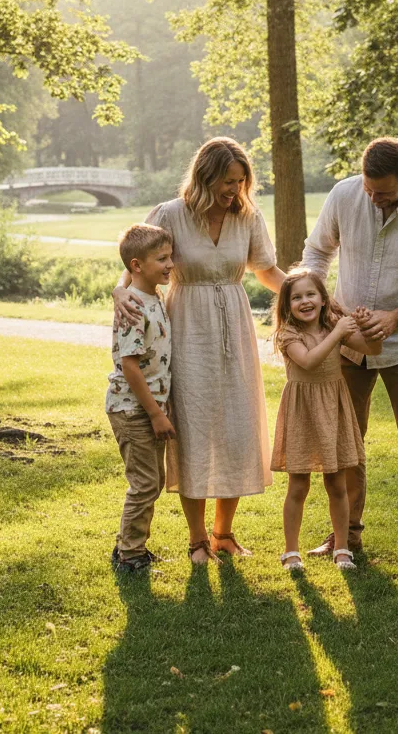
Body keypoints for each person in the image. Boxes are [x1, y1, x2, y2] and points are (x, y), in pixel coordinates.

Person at [113, 138, 285, 565]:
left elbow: (265, 270)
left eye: (241, 182)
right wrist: (118, 292)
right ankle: (196, 540)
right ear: (206, 175)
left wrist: (310, 293)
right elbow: (134, 264)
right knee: (192, 427)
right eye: (228, 181)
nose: (234, 190)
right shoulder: (170, 214)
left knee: (235, 427)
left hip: (235, 329)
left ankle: (224, 533)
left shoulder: (247, 215)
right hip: (185, 328)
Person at [302, 137, 398, 566]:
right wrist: (323, 301)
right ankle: (344, 536)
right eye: (370, 191)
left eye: (385, 193)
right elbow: (317, 251)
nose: (375, 199)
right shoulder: (345, 194)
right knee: (347, 441)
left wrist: (395, 317)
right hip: (347, 341)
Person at [271, 269, 382, 572]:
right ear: (286, 305)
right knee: (298, 485)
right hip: (303, 413)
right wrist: (338, 333)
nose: (304, 301)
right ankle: (291, 552)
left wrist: (365, 327)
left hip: (334, 408)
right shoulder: (289, 334)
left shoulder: (334, 326)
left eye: (310, 295)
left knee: (337, 484)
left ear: (323, 300)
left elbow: (373, 350)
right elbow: (308, 361)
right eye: (296, 297)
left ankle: (343, 548)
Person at [105, 224, 176, 574]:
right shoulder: (134, 307)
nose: (170, 264)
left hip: (147, 408)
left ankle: (128, 547)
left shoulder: (152, 295)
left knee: (153, 482)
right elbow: (130, 366)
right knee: (146, 483)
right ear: (137, 265)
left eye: (170, 256)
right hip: (133, 409)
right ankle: (130, 556)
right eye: (161, 259)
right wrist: (156, 414)